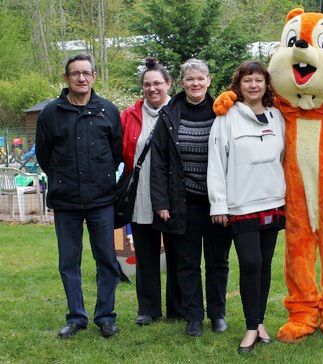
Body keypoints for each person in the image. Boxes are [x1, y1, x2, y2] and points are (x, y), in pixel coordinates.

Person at [35, 53, 122, 338]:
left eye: (86, 73)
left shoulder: (108, 110)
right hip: (66, 201)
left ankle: (105, 316)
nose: (81, 78)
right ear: (66, 78)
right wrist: (63, 179)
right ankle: (76, 317)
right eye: (75, 73)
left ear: (94, 76)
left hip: (101, 200)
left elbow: (116, 153)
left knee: (107, 260)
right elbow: (44, 155)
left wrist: (101, 178)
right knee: (68, 262)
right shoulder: (51, 113)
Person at [150, 58, 232, 337]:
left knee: (217, 261)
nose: (195, 83)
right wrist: (161, 203)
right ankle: (193, 316)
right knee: (187, 262)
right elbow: (159, 162)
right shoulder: (169, 114)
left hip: (217, 203)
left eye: (200, 78)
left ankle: (218, 314)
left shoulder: (223, 112)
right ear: (182, 83)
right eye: (189, 79)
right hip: (183, 203)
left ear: (209, 81)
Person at [208, 61, 285, 354]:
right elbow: (216, 163)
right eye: (247, 81)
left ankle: (259, 323)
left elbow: (283, 158)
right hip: (241, 203)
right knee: (250, 263)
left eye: (259, 80)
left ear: (266, 84)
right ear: (238, 86)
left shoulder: (277, 116)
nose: (253, 85)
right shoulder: (226, 118)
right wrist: (219, 203)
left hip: (274, 200)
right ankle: (250, 327)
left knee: (264, 265)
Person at [120, 58, 174, 325]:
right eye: (147, 84)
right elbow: (121, 153)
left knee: (176, 255)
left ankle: (178, 308)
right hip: (141, 196)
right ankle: (148, 309)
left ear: (168, 84)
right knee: (146, 255)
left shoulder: (179, 111)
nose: (152, 88)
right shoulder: (129, 116)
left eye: (157, 83)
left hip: (174, 195)